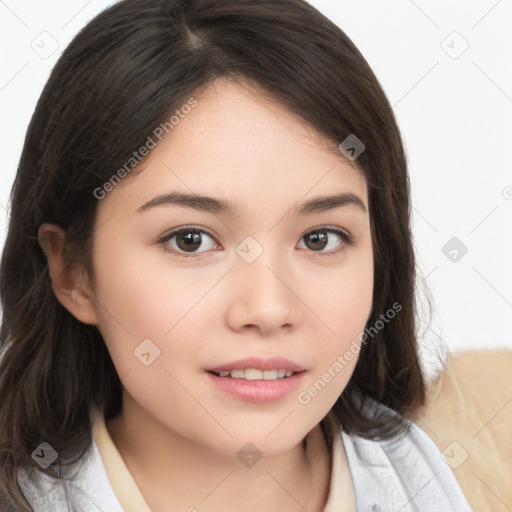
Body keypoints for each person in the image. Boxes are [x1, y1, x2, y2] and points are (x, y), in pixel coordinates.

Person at [0, 0, 473, 510]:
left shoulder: (474, 471)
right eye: (191, 240)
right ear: (72, 271)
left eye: (320, 238)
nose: (268, 309)